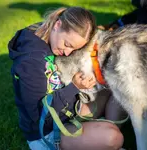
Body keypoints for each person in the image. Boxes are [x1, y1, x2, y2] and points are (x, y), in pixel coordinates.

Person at [8, 7, 126, 150]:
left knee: (117, 87)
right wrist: (74, 88)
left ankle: (99, 136)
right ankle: (101, 138)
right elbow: (39, 116)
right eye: (67, 44)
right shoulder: (31, 62)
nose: (67, 53)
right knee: (113, 138)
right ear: (57, 25)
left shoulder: (48, 34)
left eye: (74, 49)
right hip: (46, 133)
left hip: (67, 112)